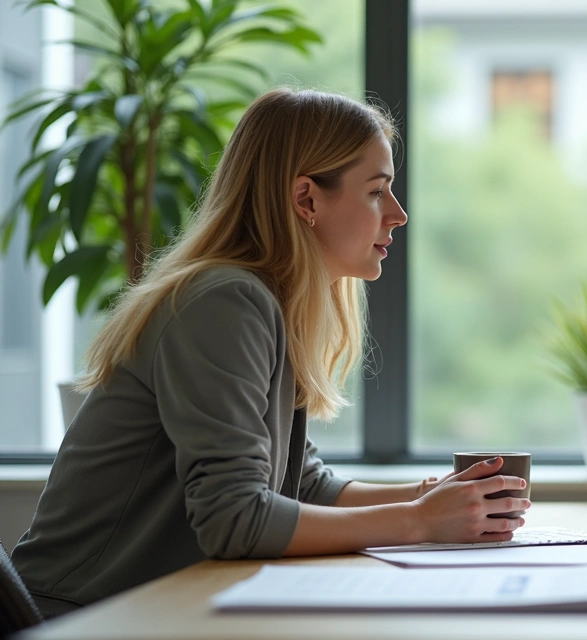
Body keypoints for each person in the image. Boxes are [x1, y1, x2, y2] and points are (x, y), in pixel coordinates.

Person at [11, 88, 529, 618]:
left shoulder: (267, 302)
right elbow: (235, 520)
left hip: (147, 609)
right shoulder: (224, 302)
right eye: (377, 192)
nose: (397, 215)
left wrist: (429, 495)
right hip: (76, 618)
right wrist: (419, 520)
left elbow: (302, 485)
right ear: (306, 200)